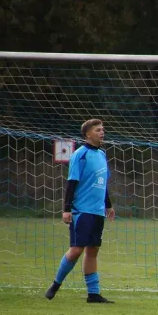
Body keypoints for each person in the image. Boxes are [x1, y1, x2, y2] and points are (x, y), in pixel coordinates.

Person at [45, 119, 116, 303]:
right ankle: (55, 284)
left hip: (97, 211)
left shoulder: (102, 154)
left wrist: (108, 205)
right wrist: (66, 209)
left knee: (93, 250)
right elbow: (72, 182)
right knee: (76, 249)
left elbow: (103, 183)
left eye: (103, 129)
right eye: (98, 130)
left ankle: (93, 294)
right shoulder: (80, 155)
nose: (102, 133)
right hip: (81, 210)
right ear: (88, 134)